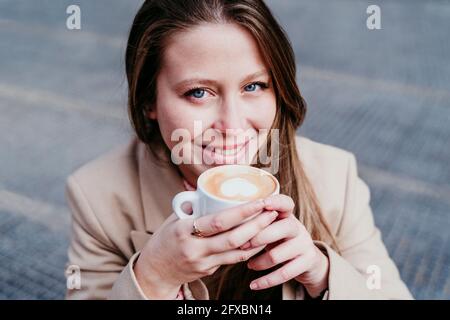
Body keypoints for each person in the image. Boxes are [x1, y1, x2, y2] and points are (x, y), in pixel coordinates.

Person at [65, 0, 412, 300]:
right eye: (198, 92)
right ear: (147, 102)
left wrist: (323, 276)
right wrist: (155, 276)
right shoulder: (97, 196)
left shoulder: (334, 177)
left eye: (254, 86)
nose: (232, 126)